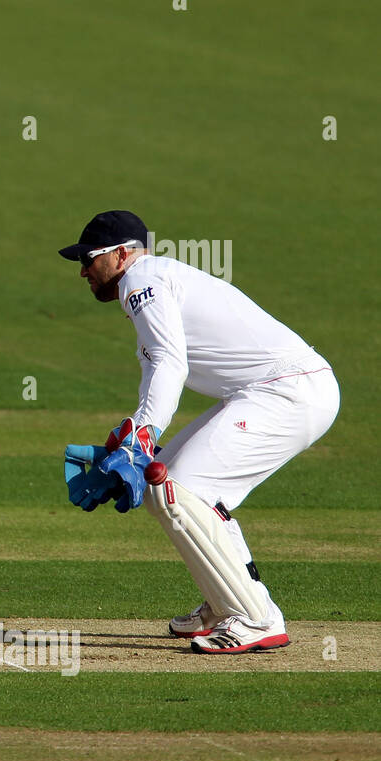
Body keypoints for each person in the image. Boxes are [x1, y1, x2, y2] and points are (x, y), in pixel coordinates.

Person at [59, 211, 339, 654]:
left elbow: (171, 363)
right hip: (271, 392)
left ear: (120, 254)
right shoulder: (153, 281)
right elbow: (160, 366)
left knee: (182, 490)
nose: (83, 271)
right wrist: (133, 432)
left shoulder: (141, 282)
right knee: (164, 482)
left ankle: (256, 618)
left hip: (287, 391)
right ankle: (225, 602)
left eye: (89, 260)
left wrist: (144, 433)